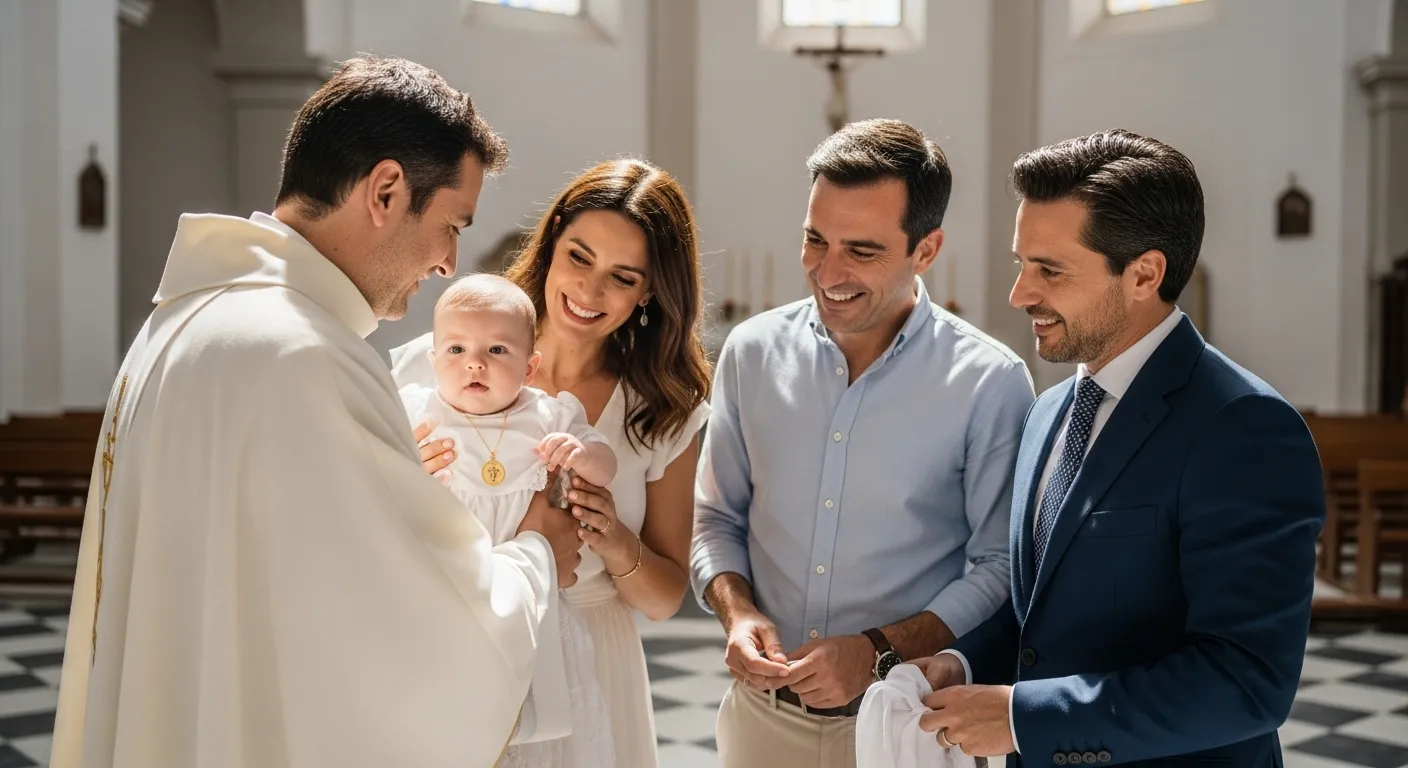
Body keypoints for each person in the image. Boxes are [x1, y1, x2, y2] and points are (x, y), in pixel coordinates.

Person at [49, 56, 584, 768]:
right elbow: (430, 632)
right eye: (453, 224)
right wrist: (537, 549)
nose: (450, 262)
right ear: (387, 190)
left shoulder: (181, 322)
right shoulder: (306, 356)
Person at [911, 129, 1325, 765]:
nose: (1020, 293)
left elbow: (1246, 683)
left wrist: (1024, 721)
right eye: (1022, 263)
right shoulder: (1049, 411)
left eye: (1050, 270)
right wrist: (963, 661)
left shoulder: (1243, 427)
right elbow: (1043, 616)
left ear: (1145, 274)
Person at [690, 118, 1035, 768]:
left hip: (909, 726)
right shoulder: (750, 353)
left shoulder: (991, 382)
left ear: (926, 250)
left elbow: (996, 567)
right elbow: (716, 518)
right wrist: (736, 613)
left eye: (862, 250)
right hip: (762, 724)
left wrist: (878, 650)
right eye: (814, 239)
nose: (828, 271)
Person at [399, 157, 713, 767]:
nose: (590, 292)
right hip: (457, 641)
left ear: (650, 291)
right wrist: (404, 480)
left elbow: (663, 598)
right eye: (579, 257)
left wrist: (614, 538)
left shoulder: (660, 410)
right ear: (551, 243)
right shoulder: (427, 367)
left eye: (624, 277)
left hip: (593, 651)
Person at [399, 274, 617, 768]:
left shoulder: (548, 416)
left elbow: (606, 464)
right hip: (447, 598)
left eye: (497, 349)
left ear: (530, 365)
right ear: (433, 362)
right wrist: (407, 463)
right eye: (455, 349)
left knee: (541, 720)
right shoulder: (419, 413)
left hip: (535, 596)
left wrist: (582, 454)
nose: (474, 362)